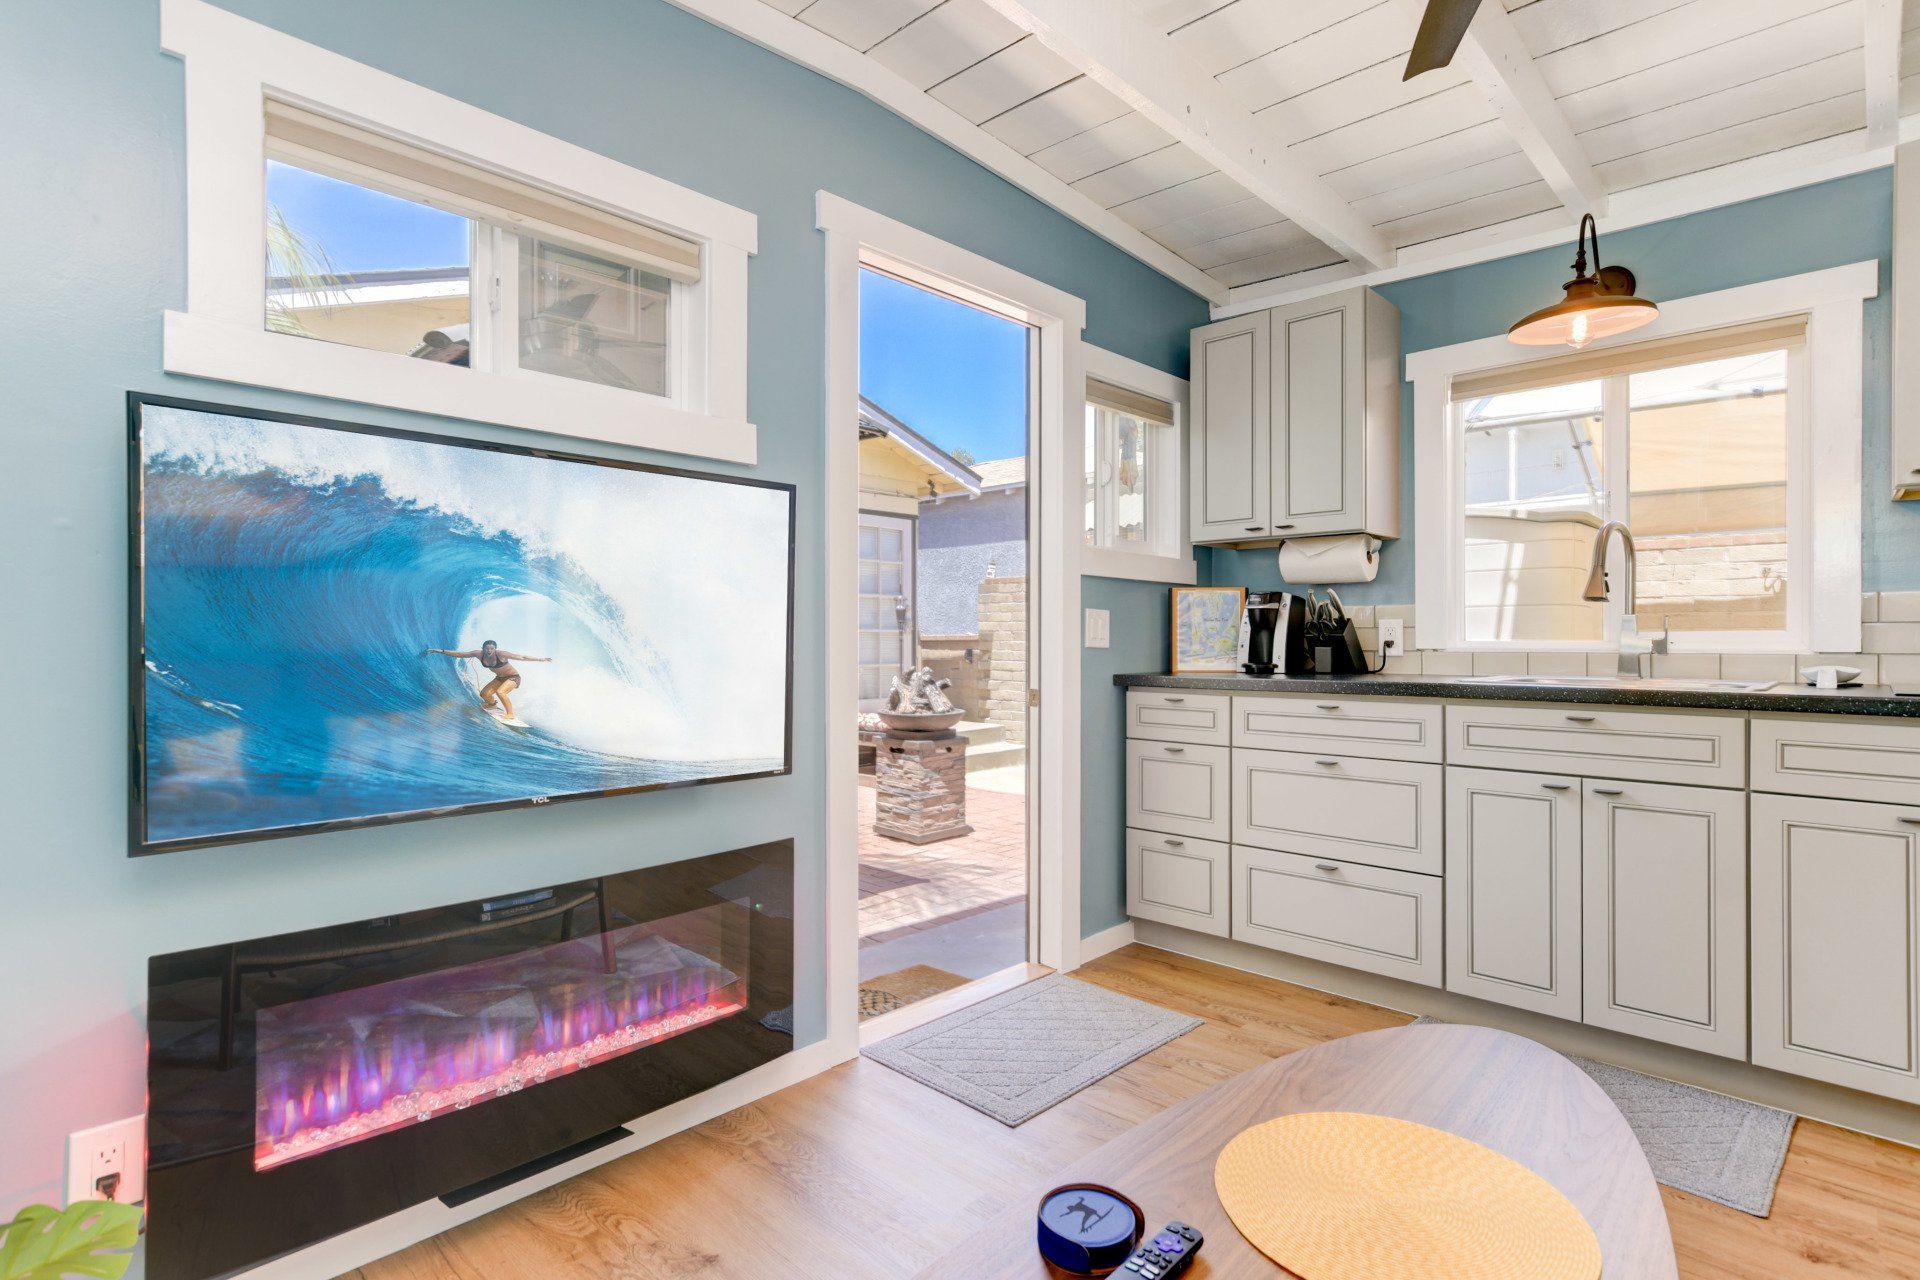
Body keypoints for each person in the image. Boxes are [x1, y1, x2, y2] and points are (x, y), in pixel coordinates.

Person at [424, 640, 550, 722]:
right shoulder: (479, 654)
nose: (489, 651)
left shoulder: (501, 654)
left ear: (495, 649)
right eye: (487, 648)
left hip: (513, 677)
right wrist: (441, 651)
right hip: (499, 678)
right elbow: (460, 654)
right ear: (483, 648)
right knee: (484, 694)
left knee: (501, 692)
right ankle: (491, 704)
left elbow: (522, 657)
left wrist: (540, 659)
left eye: (491, 649)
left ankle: (510, 714)